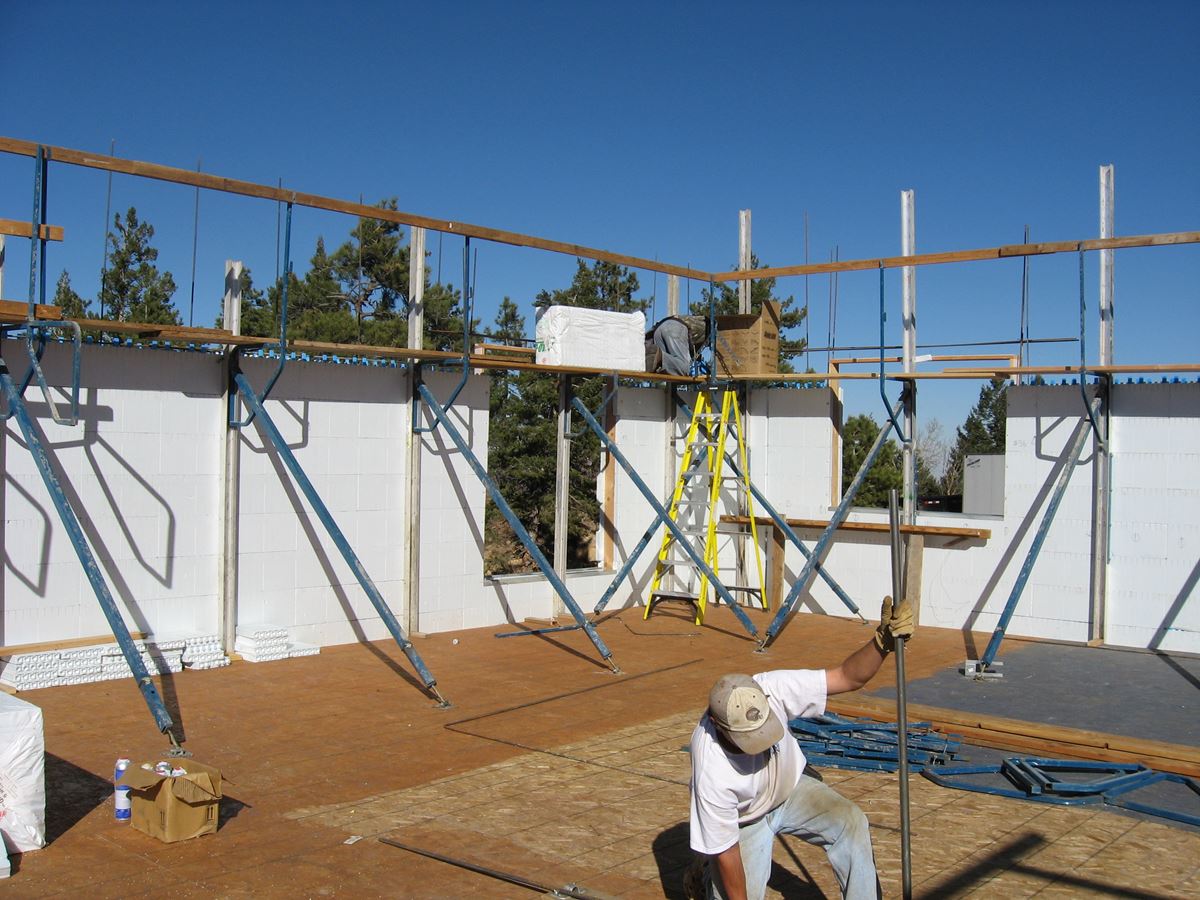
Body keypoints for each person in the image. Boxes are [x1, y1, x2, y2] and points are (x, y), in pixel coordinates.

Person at [687, 597, 915, 900]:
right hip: (745, 820)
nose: (757, 748)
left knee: (850, 821)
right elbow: (728, 855)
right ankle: (705, 874)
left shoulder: (771, 688)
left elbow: (847, 676)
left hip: (789, 789)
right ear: (718, 726)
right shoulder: (711, 771)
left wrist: (881, 643)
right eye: (746, 741)